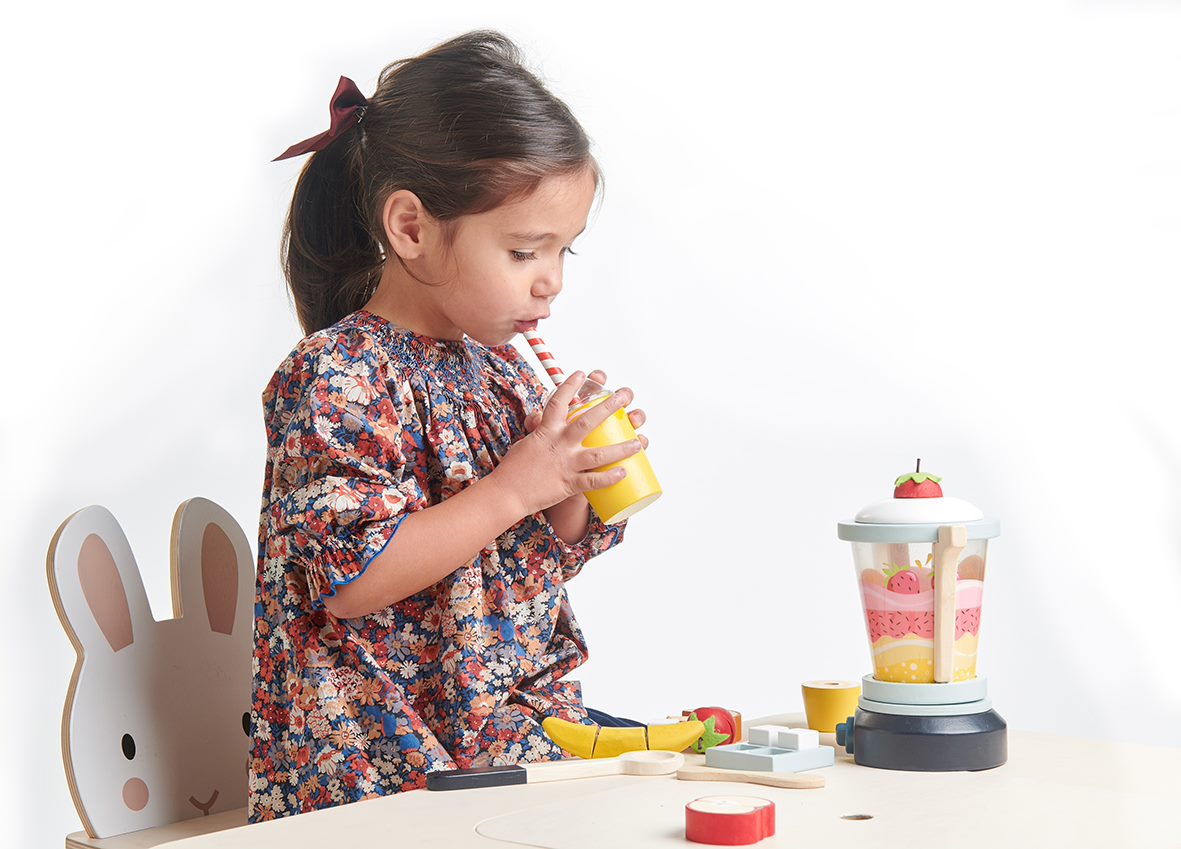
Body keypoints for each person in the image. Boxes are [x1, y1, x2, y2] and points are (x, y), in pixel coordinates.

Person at [249, 30, 650, 820]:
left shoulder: (494, 370)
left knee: (672, 779)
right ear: (411, 228)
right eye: (525, 250)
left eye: (566, 252)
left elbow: (525, 565)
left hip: (498, 732)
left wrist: (573, 478)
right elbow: (353, 582)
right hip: (378, 760)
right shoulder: (338, 377)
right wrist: (513, 485)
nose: (551, 282)